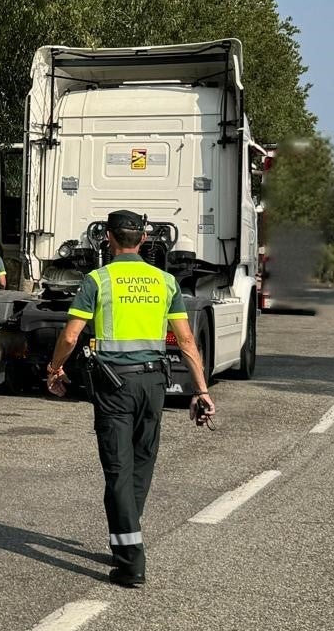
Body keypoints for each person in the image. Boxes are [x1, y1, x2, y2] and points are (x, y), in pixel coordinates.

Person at [44, 210, 214, 587]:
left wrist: (55, 370)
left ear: (108, 237)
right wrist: (201, 390)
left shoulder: (98, 280)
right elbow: (186, 342)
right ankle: (127, 534)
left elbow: (71, 336)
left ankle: (131, 560)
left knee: (118, 469)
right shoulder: (165, 282)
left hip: (113, 385)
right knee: (141, 463)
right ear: (143, 239)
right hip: (155, 384)